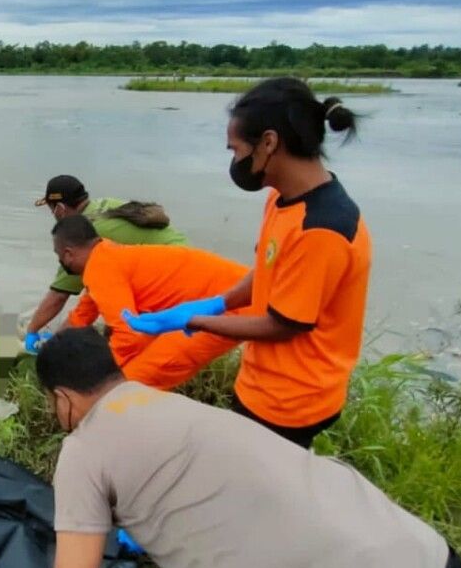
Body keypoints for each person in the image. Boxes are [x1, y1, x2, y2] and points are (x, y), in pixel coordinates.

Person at [24, 327, 461, 568]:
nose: (53, 415)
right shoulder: (164, 402)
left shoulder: (84, 449)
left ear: (62, 396)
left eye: (50, 404)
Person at [124, 78, 371, 449]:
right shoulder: (284, 200)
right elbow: (270, 273)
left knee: (254, 495)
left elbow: (284, 325)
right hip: (264, 383)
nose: (235, 161)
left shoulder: (322, 228)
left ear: (269, 143)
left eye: (236, 149)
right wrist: (220, 302)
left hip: (292, 400)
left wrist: (197, 321)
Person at [48, 215, 244, 389]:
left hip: (230, 305)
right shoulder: (105, 255)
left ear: (68, 254)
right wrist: (50, 349)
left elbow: (129, 337)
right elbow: (82, 315)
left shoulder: (101, 269)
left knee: (125, 385)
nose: (61, 262)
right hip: (233, 293)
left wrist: (94, 373)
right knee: (127, 373)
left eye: (59, 256)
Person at [25, 175, 186, 347]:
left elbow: (59, 295)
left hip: (170, 278)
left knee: (120, 334)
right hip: (184, 258)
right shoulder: (105, 205)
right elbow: (90, 301)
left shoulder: (83, 235)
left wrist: (31, 332)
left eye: (51, 210)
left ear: (60, 209)